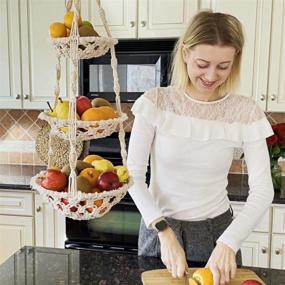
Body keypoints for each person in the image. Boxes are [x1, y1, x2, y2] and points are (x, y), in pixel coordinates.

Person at [127, 10, 274, 285]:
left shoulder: (245, 111)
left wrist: (229, 242)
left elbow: (263, 189)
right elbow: (132, 175)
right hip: (160, 230)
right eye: (202, 63)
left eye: (222, 66)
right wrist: (163, 232)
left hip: (217, 234)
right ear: (185, 54)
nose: (210, 75)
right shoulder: (156, 103)